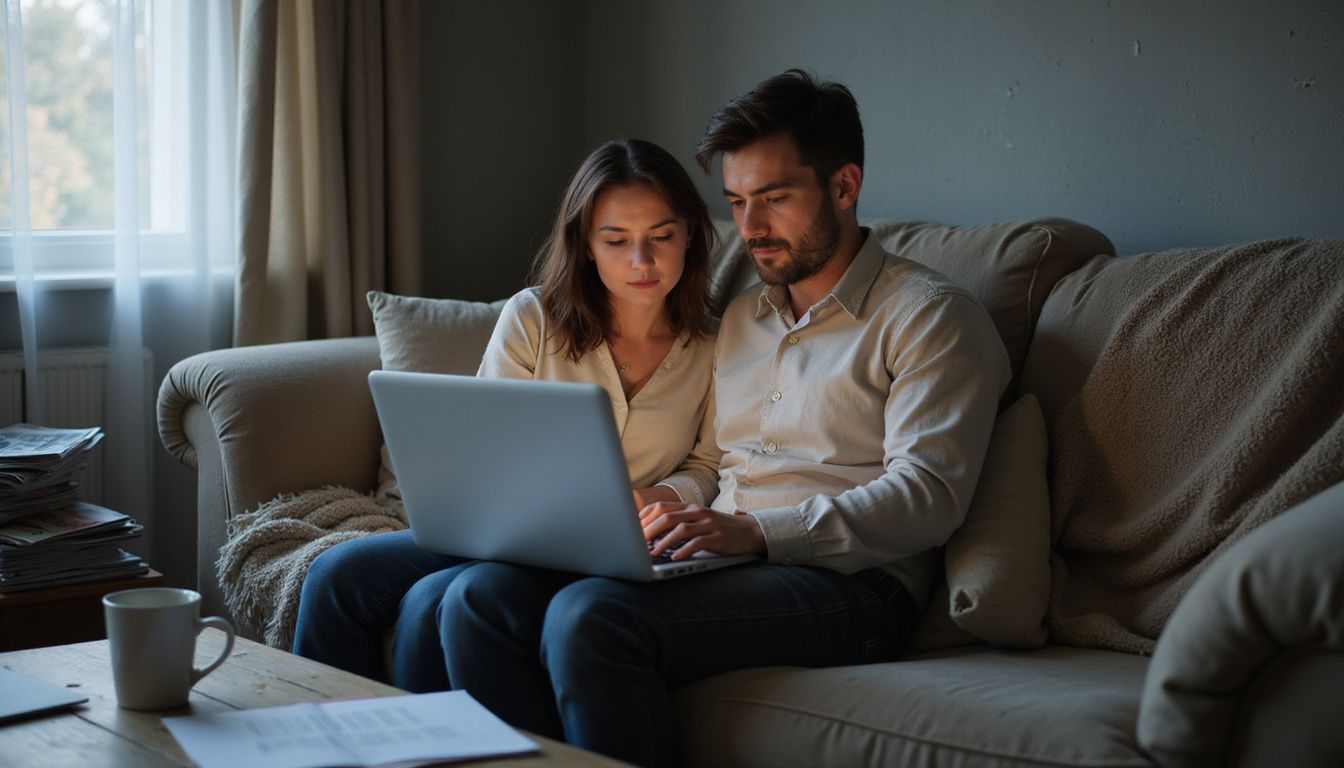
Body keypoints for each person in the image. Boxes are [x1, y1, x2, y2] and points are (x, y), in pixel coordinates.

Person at [433, 69, 1012, 767]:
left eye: (774, 198)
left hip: (853, 585)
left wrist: (753, 532)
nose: (750, 228)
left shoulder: (929, 317)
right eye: (736, 202)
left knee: (589, 620)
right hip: (708, 559)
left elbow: (929, 497)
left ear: (844, 186)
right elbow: (710, 466)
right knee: (482, 601)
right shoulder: (741, 318)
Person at [291, 137, 722, 691]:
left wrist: (655, 500)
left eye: (662, 237)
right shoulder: (535, 318)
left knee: (428, 604)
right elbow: (483, 443)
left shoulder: (713, 343)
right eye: (617, 240)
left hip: (619, 544)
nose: (643, 262)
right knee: (333, 574)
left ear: (689, 233)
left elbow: (709, 466)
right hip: (508, 527)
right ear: (586, 245)